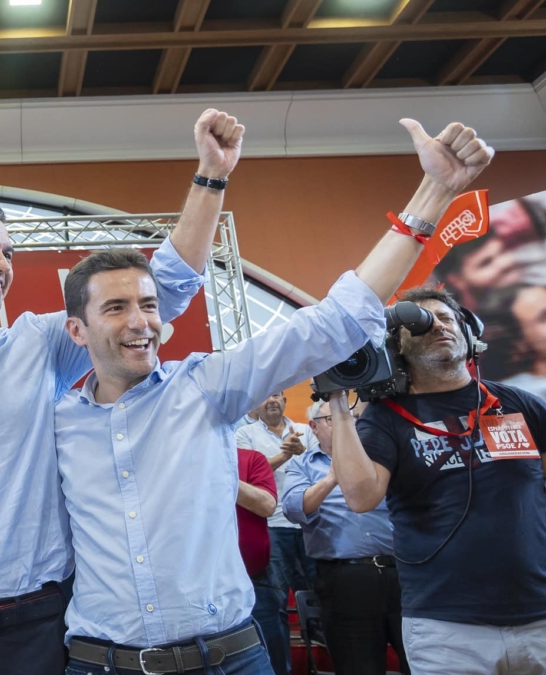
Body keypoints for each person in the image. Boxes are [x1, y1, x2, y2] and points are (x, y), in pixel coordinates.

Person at [55, 118, 494, 675]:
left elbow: (336, 320)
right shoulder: (54, 422)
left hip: (229, 657)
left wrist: (434, 191)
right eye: (116, 308)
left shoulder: (205, 386)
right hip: (100, 662)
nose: (141, 320)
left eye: (148, 304)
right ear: (77, 331)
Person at [0, 108, 242, 674]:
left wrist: (211, 178)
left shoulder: (41, 344)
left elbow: (168, 287)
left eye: (8, 252)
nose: (1, 265)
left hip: (32, 629)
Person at [333, 286, 546, 675]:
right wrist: (337, 403)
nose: (438, 327)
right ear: (397, 348)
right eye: (421, 323)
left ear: (470, 333)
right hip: (446, 626)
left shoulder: (516, 403)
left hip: (539, 615)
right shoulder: (385, 419)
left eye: (447, 319)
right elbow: (361, 497)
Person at [283, 399, 408, 675]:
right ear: (314, 427)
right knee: (358, 667)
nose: (347, 423)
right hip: (345, 581)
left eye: (353, 417)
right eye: (334, 418)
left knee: (423, 663)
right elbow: (293, 509)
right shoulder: (303, 465)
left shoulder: (380, 457)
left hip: (403, 574)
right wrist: (331, 479)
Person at [236, 390, 316, 673]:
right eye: (265, 395)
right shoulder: (244, 434)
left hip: (310, 524)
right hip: (271, 527)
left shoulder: (305, 430)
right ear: (256, 403)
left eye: (277, 395)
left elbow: (319, 467)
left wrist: (302, 451)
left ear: (285, 400)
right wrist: (285, 454)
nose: (271, 400)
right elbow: (248, 475)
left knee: (322, 599)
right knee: (275, 605)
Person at [235, 447, 285, 675]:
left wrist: (220, 472)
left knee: (271, 658)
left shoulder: (251, 458)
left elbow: (266, 505)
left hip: (255, 580)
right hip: (201, 588)